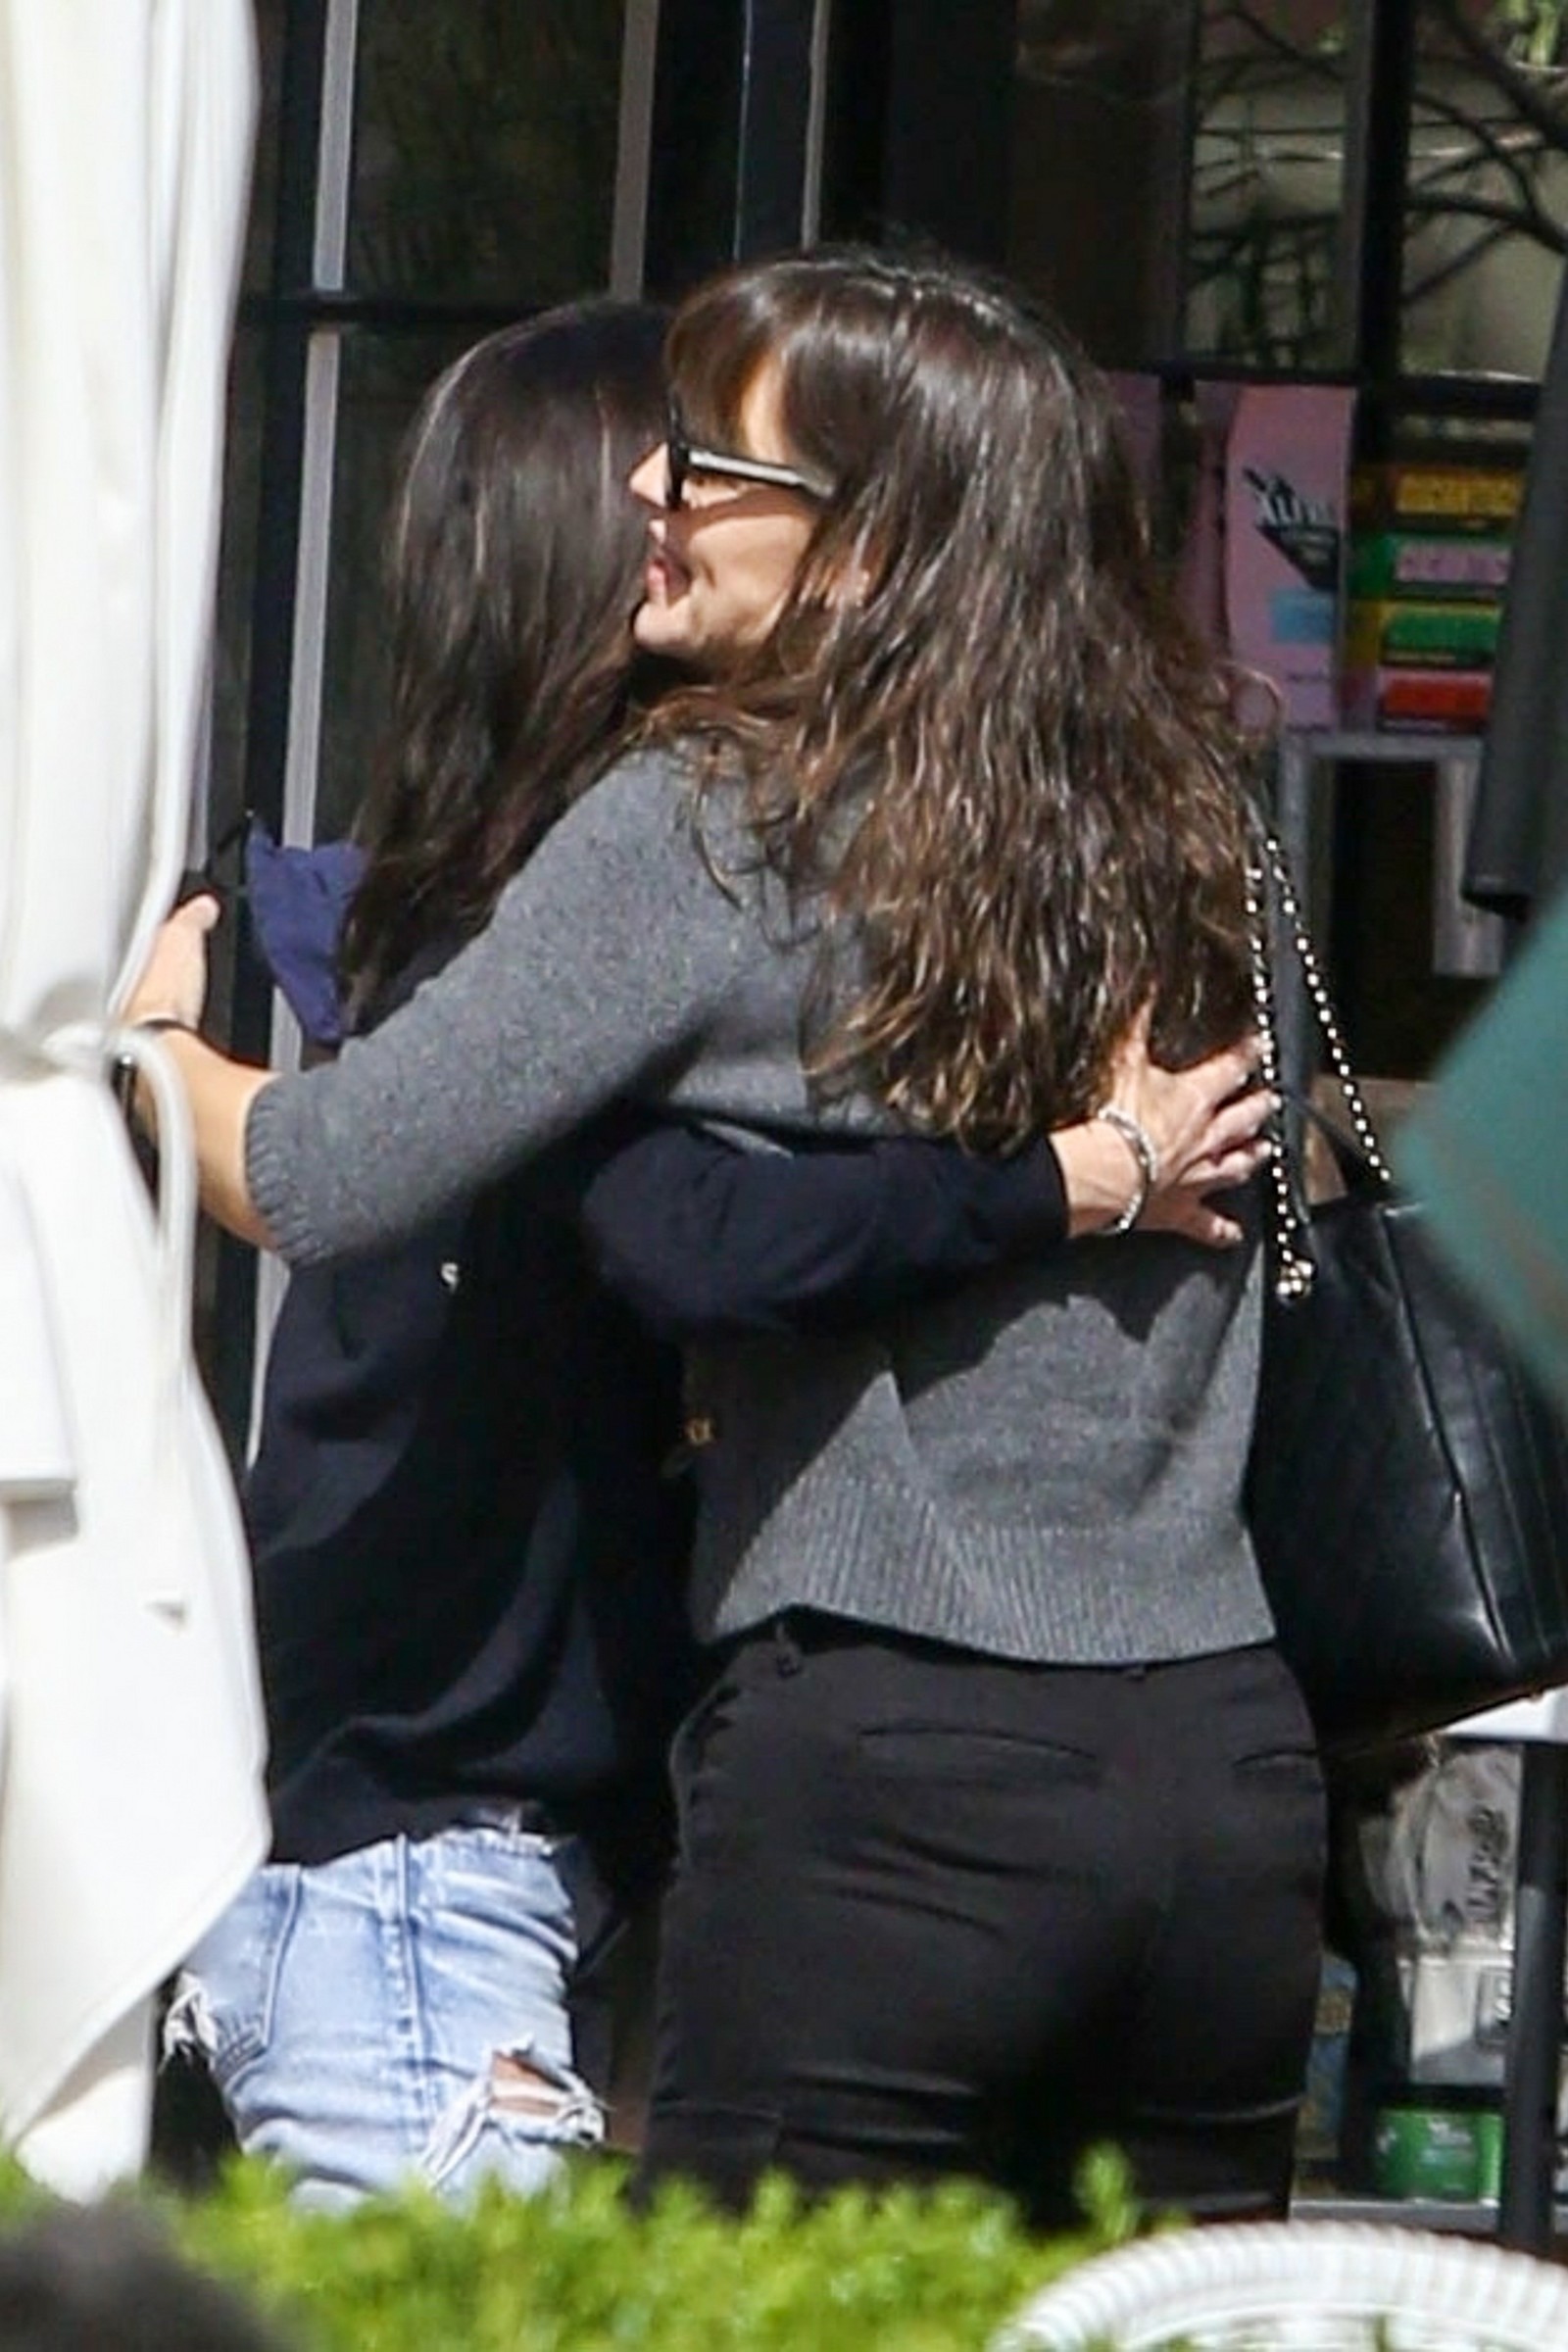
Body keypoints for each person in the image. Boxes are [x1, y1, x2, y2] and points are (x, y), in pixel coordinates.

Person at [127, 247, 1310, 2227]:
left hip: (888, 1782)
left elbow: (329, 1173)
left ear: (867, 550)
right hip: (1227, 1779)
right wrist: (1072, 1179)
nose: (650, 493)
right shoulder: (1200, 828)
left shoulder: (713, 829)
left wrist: (146, 1047)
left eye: (708, 464)